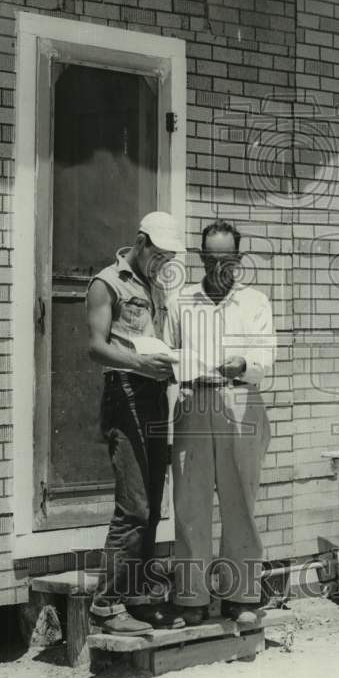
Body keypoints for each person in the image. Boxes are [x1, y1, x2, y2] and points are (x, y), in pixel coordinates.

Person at [165, 219, 275, 627]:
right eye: (210, 259)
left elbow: (264, 360)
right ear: (200, 258)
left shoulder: (256, 302)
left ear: (239, 259)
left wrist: (243, 363)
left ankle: (241, 595)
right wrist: (181, 373)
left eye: (226, 260)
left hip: (241, 400)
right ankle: (191, 598)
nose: (218, 268)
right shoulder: (181, 301)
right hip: (194, 403)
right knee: (190, 503)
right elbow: (169, 357)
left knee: (239, 502)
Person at [86, 211, 186, 635]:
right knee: (134, 507)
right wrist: (142, 363)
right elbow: (96, 347)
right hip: (124, 392)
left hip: (155, 399)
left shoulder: (158, 289)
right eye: (158, 254)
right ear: (141, 242)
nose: (162, 262)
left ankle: (139, 598)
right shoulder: (106, 283)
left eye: (168, 257)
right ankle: (106, 604)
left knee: (153, 506)